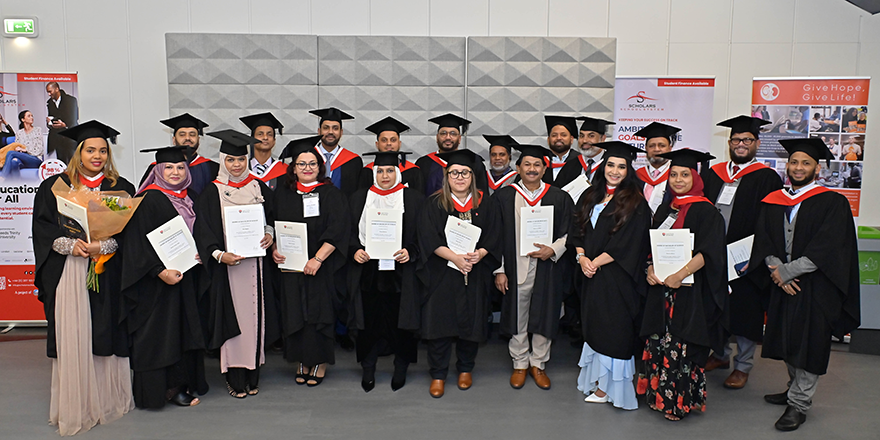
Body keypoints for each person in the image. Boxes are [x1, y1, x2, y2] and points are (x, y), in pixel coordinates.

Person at [749, 138, 859, 432]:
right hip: (782, 284)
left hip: (815, 287)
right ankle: (793, 387)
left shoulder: (832, 202)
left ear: (817, 168)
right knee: (788, 339)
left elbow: (829, 248)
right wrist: (777, 270)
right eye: (794, 162)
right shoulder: (775, 200)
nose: (798, 168)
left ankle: (799, 404)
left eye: (805, 163)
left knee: (810, 344)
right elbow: (765, 239)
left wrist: (787, 272)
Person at [33, 120, 133, 435]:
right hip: (70, 271)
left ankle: (105, 400)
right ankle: (77, 403)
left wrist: (105, 244)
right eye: (90, 150)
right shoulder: (54, 187)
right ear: (78, 152)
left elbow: (131, 234)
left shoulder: (121, 188)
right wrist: (68, 244)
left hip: (106, 269)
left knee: (105, 329)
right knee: (74, 332)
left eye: (103, 150)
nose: (97, 156)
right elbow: (42, 228)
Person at [641, 148, 727, 421]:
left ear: (696, 178)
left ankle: (678, 402)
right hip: (661, 291)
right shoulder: (667, 209)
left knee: (682, 345)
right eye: (674, 174)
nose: (678, 180)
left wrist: (681, 273)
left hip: (689, 292)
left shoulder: (706, 211)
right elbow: (650, 246)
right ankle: (658, 396)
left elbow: (710, 251)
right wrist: (650, 268)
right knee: (660, 342)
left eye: (684, 175)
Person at [122, 146, 209, 409]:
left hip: (186, 277)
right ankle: (159, 391)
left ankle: (181, 384)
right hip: (156, 284)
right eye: (168, 167)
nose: (175, 172)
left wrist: (203, 252)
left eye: (180, 167)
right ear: (157, 170)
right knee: (160, 335)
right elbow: (136, 243)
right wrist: (159, 271)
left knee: (183, 331)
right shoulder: (148, 200)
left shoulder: (191, 196)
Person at [702, 116, 783, 389]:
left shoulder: (767, 177)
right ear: (729, 142)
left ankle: (744, 365)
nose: (740, 144)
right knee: (716, 306)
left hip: (745, 257)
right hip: (713, 254)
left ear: (757, 143)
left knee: (745, 311)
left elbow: (770, 222)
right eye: (736, 140)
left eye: (747, 140)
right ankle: (721, 354)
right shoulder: (714, 173)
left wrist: (755, 254)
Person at [194, 130, 275, 399]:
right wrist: (218, 254)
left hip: (256, 267)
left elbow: (271, 219)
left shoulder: (258, 186)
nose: (236, 165)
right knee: (233, 319)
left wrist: (269, 235)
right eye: (230, 160)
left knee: (255, 319)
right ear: (222, 161)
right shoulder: (212, 191)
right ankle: (234, 376)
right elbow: (203, 232)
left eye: (241, 159)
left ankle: (253, 374)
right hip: (227, 269)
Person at [571, 141, 651, 410]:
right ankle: (599, 382)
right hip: (591, 275)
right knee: (594, 327)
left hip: (618, 277)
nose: (614, 171)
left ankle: (609, 389)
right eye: (610, 165)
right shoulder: (591, 195)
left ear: (628, 171)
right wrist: (582, 258)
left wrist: (595, 262)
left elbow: (628, 243)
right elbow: (577, 230)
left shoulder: (635, 202)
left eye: (621, 166)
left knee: (613, 331)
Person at [417, 149, 500, 398]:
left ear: (473, 176)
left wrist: (481, 254)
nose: (460, 177)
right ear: (447, 176)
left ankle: (465, 368)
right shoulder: (434, 203)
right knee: (440, 323)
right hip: (442, 273)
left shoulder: (486, 203)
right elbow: (427, 237)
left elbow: (495, 234)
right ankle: (439, 373)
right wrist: (454, 257)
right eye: (455, 172)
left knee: (472, 322)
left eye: (465, 172)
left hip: (473, 273)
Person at [272, 135, 351, 386]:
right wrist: (274, 248)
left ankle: (318, 361)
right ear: (293, 168)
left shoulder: (331, 194)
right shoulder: (283, 194)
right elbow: (272, 225)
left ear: (320, 167)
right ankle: (300, 359)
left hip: (321, 267)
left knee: (318, 314)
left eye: (312, 164)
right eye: (301, 164)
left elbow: (338, 229)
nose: (307, 168)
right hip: (291, 266)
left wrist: (317, 259)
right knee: (295, 312)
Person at [493, 144, 573, 391]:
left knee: (545, 313)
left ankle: (538, 363)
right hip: (515, 267)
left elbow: (571, 232)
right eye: (526, 164)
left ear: (544, 168)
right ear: (518, 167)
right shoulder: (504, 197)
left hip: (547, 267)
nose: (532, 169)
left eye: (537, 164)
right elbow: (495, 237)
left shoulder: (559, 196)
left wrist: (554, 249)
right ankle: (520, 363)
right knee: (518, 316)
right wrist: (500, 270)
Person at [348, 151, 423, 392]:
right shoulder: (360, 197)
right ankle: (368, 369)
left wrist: (411, 251)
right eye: (380, 171)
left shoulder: (413, 199)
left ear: (398, 172)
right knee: (368, 324)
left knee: (402, 323)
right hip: (368, 272)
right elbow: (347, 231)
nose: (385, 176)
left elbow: (424, 234)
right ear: (373, 173)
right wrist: (354, 250)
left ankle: (401, 368)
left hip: (402, 272)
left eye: (390, 170)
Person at [140, 113, 218, 197]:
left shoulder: (212, 167)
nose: (187, 138)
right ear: (174, 140)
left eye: (192, 134)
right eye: (182, 134)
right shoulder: (157, 169)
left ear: (199, 140)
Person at [415, 113, 488, 196]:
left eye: (453, 133)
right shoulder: (424, 163)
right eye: (443, 133)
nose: (448, 137)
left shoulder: (474, 161)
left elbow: (482, 195)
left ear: (459, 138)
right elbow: (418, 197)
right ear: (437, 137)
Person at [358, 116, 424, 194]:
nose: (389, 143)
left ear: (399, 144)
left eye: (393, 140)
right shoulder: (367, 172)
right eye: (384, 140)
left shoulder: (413, 171)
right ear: (377, 144)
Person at [310, 107, 362, 198]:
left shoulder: (353, 162)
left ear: (341, 132)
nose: (330, 132)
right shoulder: (306, 157)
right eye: (326, 128)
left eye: (335, 128)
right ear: (319, 131)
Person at [634, 122, 680, 214]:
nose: (657, 149)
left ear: (670, 148)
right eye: (652, 146)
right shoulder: (636, 176)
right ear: (646, 149)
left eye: (662, 145)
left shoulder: (677, 176)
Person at [555, 117, 615, 186]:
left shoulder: (612, 164)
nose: (584, 140)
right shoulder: (571, 165)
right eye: (581, 136)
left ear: (602, 138)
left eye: (591, 136)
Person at [240, 112, 287, 190]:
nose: (265, 137)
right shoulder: (241, 169)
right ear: (252, 139)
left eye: (269, 134)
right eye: (260, 134)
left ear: (274, 141)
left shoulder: (284, 170)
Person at [0, 110, 44, 179]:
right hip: (23, 158)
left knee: (11, 153)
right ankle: (16, 186)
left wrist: (25, 149)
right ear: (23, 119)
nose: (31, 117)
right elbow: (17, 147)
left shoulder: (38, 130)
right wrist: (20, 150)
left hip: (35, 159)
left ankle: (3, 177)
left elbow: (39, 149)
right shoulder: (19, 133)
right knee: (14, 162)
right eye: (29, 116)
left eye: (32, 116)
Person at [45, 81, 79, 164]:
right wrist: (49, 123)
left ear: (57, 89)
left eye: (50, 91)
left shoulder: (71, 100)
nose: (49, 94)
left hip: (70, 137)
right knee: (61, 163)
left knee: (73, 162)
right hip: (58, 138)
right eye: (48, 92)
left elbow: (75, 117)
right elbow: (52, 118)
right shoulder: (49, 103)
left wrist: (65, 125)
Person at [542, 115, 580, 187]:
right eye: (554, 135)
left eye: (564, 135)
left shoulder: (580, 160)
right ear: (548, 140)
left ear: (571, 139)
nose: (559, 138)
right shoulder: (541, 161)